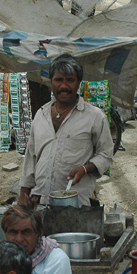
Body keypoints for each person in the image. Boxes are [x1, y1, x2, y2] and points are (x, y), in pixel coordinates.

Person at [19, 54, 114, 207]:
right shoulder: (41, 114)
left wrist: (85, 169)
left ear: (78, 83)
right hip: (40, 201)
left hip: (76, 203)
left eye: (70, 80)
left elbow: (106, 154)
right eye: (58, 80)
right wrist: (24, 194)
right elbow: (31, 157)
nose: (64, 86)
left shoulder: (95, 117)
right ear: (51, 82)